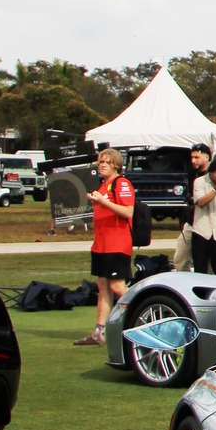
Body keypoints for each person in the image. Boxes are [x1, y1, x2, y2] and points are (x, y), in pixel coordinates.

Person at [76, 146, 134, 347]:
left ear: (115, 165)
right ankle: (98, 332)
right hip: (101, 244)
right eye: (100, 161)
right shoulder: (103, 186)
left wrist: (103, 202)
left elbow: (128, 212)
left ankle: (144, 316)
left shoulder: (121, 183)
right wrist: (96, 201)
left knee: (117, 285)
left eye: (106, 162)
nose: (101, 165)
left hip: (117, 244)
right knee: (102, 286)